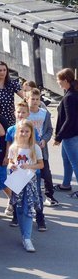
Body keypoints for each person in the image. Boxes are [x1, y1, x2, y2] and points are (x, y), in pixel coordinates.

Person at [9, 120, 43, 252]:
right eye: (21, 131)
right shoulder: (13, 147)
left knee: (28, 208)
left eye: (27, 131)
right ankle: (24, 235)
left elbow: (41, 165)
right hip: (17, 180)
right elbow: (10, 162)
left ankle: (27, 238)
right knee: (19, 207)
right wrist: (11, 165)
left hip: (30, 181)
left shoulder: (35, 148)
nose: (24, 133)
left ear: (31, 133)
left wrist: (29, 166)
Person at [53, 68, 78, 199]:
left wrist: (59, 136)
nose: (57, 82)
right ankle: (66, 184)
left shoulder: (69, 97)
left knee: (75, 163)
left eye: (59, 80)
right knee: (66, 160)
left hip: (70, 135)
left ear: (66, 81)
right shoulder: (72, 93)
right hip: (72, 134)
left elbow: (69, 119)